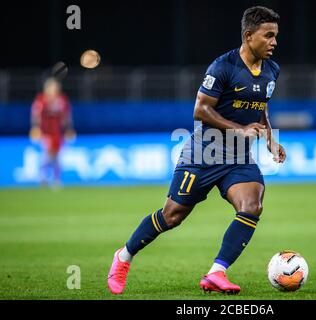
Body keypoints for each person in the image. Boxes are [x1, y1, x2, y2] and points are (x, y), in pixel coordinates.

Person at [107, 6, 285, 294]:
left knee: (252, 205)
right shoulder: (223, 67)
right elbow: (201, 110)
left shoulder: (272, 70)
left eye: (276, 36)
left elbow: (260, 104)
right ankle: (123, 256)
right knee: (172, 216)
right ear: (249, 35)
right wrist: (238, 129)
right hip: (204, 153)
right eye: (269, 36)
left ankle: (217, 272)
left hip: (239, 156)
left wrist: (268, 137)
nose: (274, 42)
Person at [30, 77, 75, 187]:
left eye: (55, 87)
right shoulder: (41, 99)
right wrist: (35, 128)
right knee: (48, 154)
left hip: (58, 133)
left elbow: (66, 116)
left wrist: (69, 129)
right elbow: (36, 115)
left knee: (57, 156)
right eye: (51, 87)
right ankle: (43, 176)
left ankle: (56, 179)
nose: (53, 89)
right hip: (45, 132)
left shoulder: (62, 99)